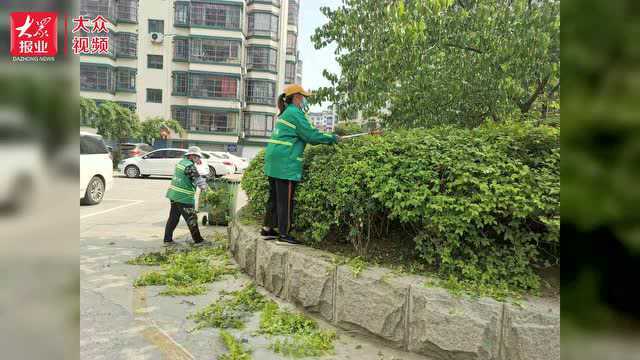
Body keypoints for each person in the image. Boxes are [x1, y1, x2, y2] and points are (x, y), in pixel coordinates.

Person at [261, 84, 339, 245]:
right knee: (285, 200)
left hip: (274, 159)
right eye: (302, 97)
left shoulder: (284, 113)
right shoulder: (295, 113)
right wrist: (331, 138)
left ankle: (268, 228)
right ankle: (284, 234)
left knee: (274, 197)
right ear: (296, 97)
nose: (304, 100)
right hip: (285, 162)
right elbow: (310, 135)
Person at [163, 146, 209, 245]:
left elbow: (187, 176)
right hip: (184, 197)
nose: (199, 159)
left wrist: (197, 164)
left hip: (174, 195)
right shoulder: (190, 166)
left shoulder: (181, 163)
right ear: (192, 156)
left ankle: (167, 240)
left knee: (173, 218)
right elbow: (198, 181)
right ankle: (198, 241)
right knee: (192, 219)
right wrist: (207, 190)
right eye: (197, 157)